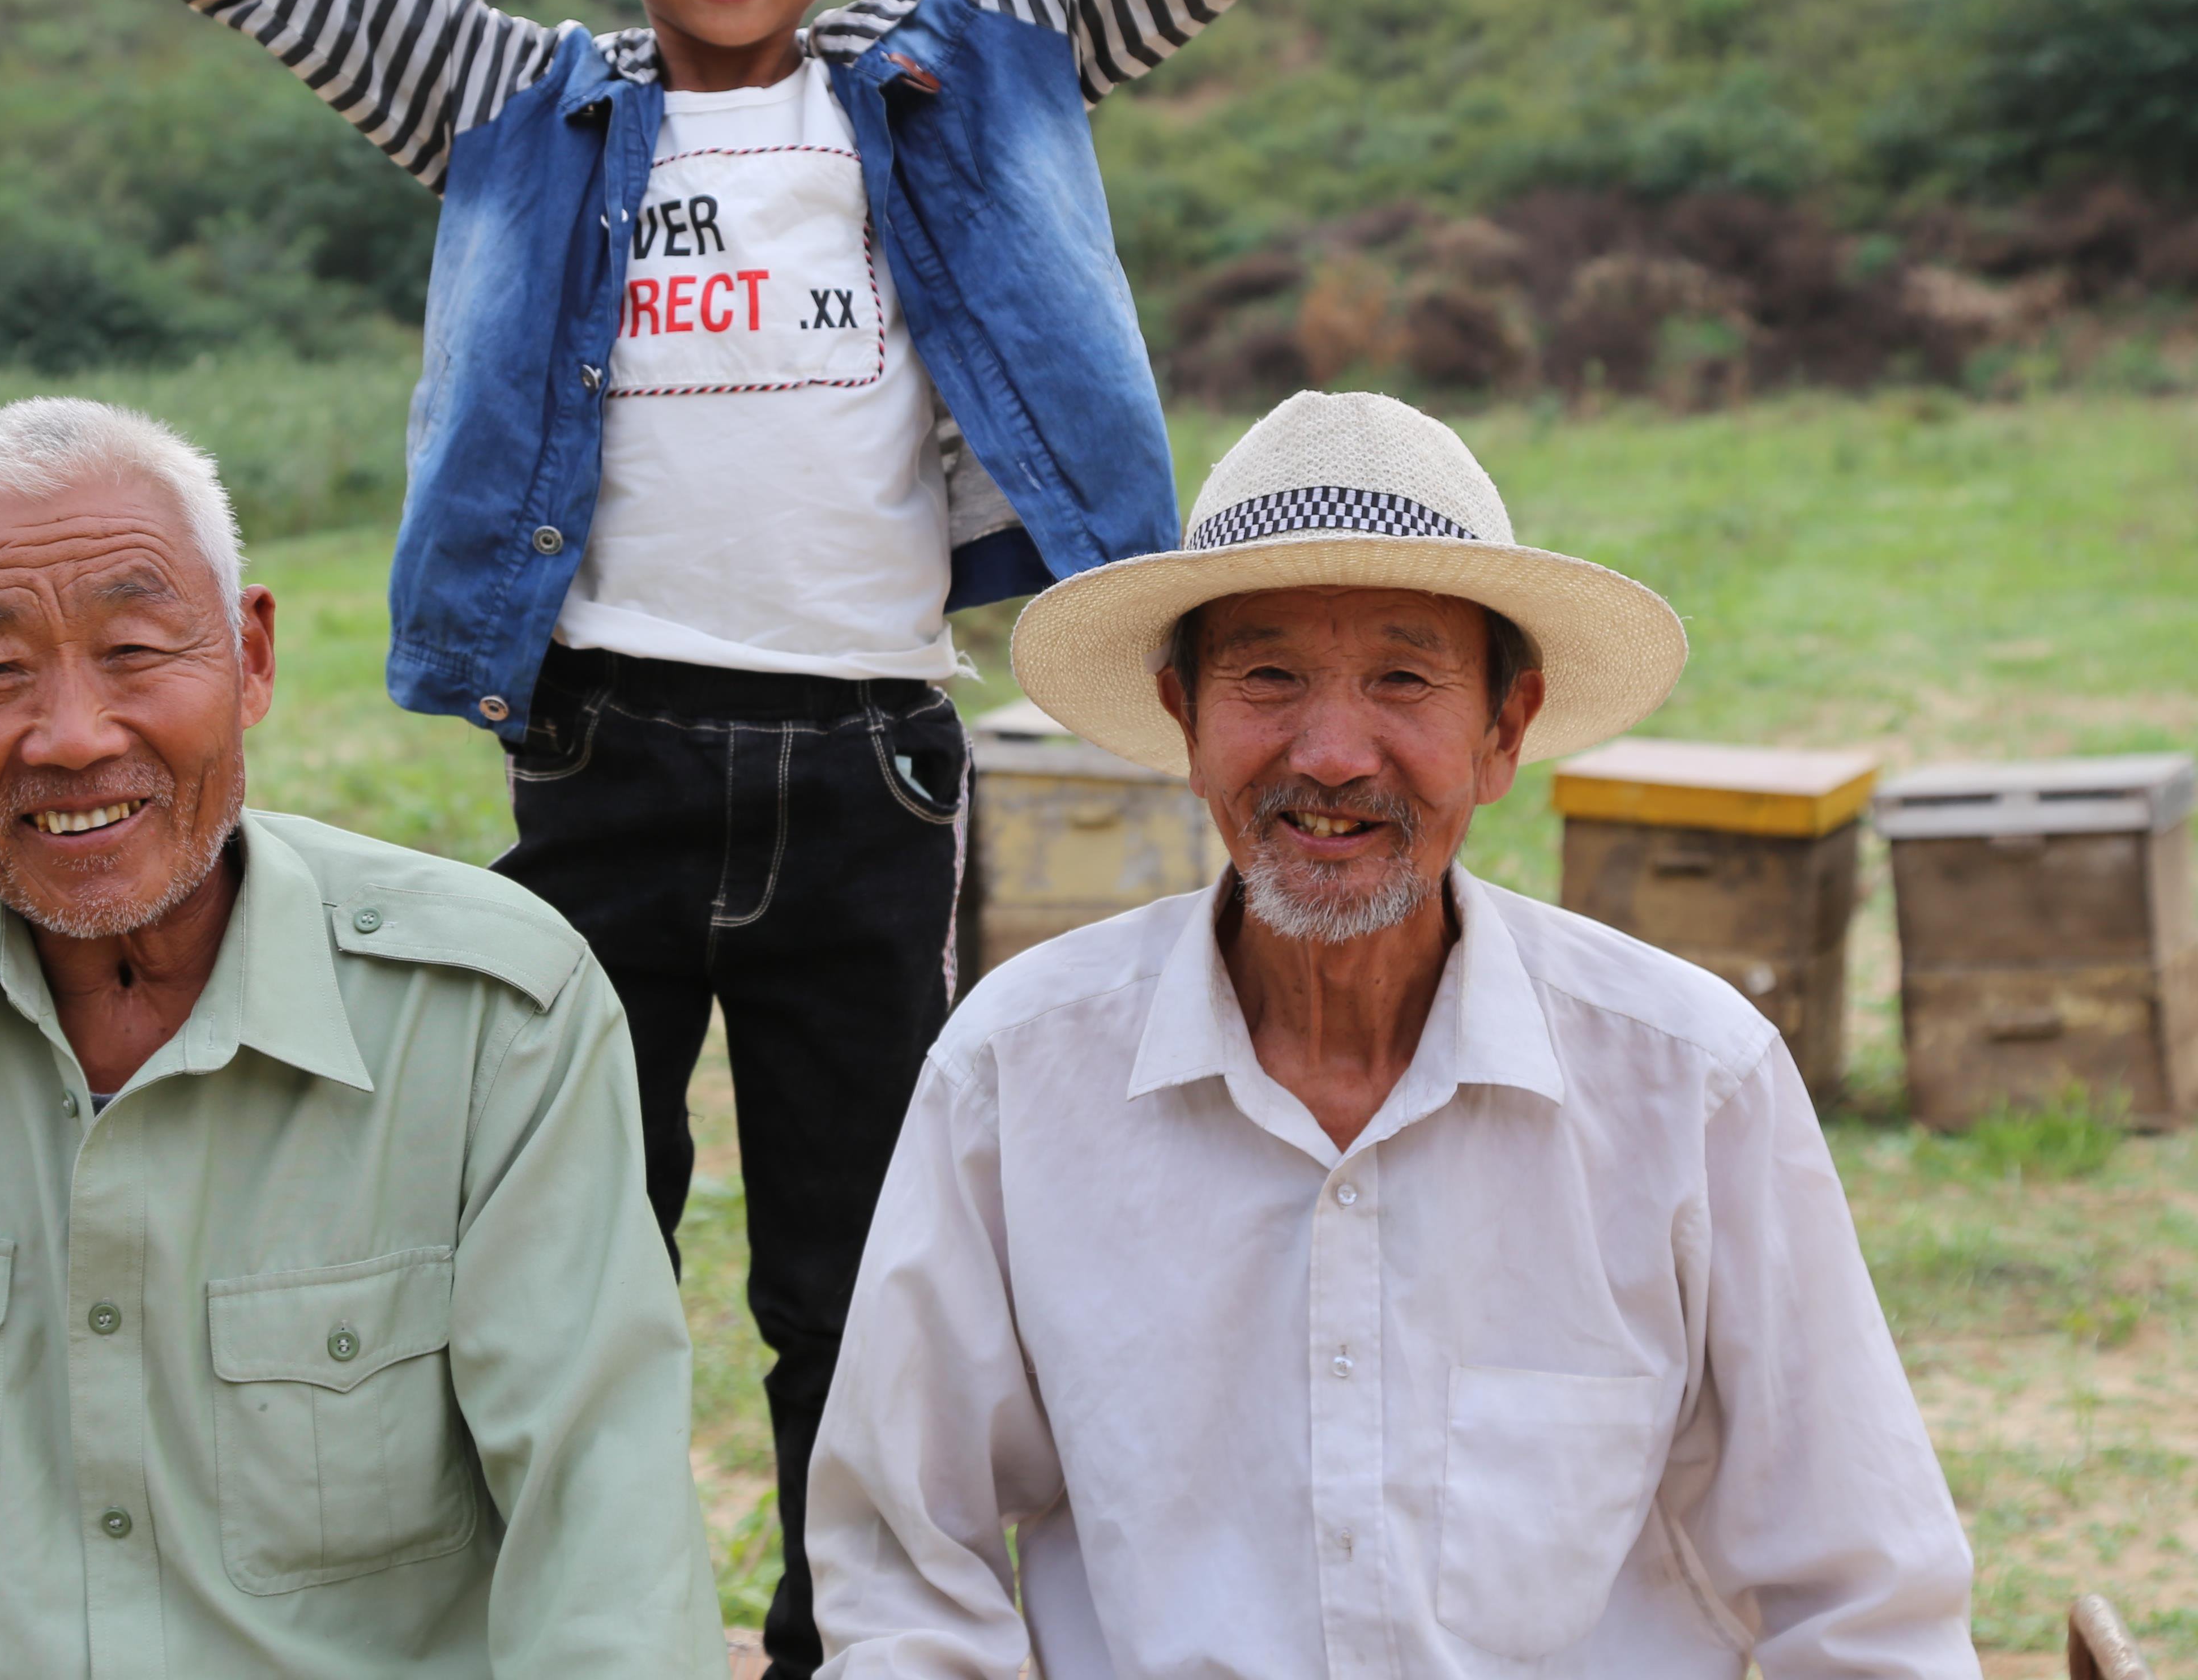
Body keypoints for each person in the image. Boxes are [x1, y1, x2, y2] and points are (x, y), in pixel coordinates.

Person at [0, 0, 1675, 1673]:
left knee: (862, 1268)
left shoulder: (966, 73)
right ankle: (566, 1631)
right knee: (548, 1247)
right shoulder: (514, 110)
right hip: (605, 760)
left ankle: (845, 1641)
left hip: (871, 767)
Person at [807, 390, 1981, 1679]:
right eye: (1268, 677)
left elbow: (1867, 1601)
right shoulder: (1018, 1075)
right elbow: (909, 1576)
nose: (1331, 752)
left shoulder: (1691, 1084)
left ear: (1504, 732)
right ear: (1185, 719)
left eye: (1404, 680)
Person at [0, 398, 722, 1679]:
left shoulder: (489, 1015)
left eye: (133, 648)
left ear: (252, 655)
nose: (72, 737)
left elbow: (601, 1536)